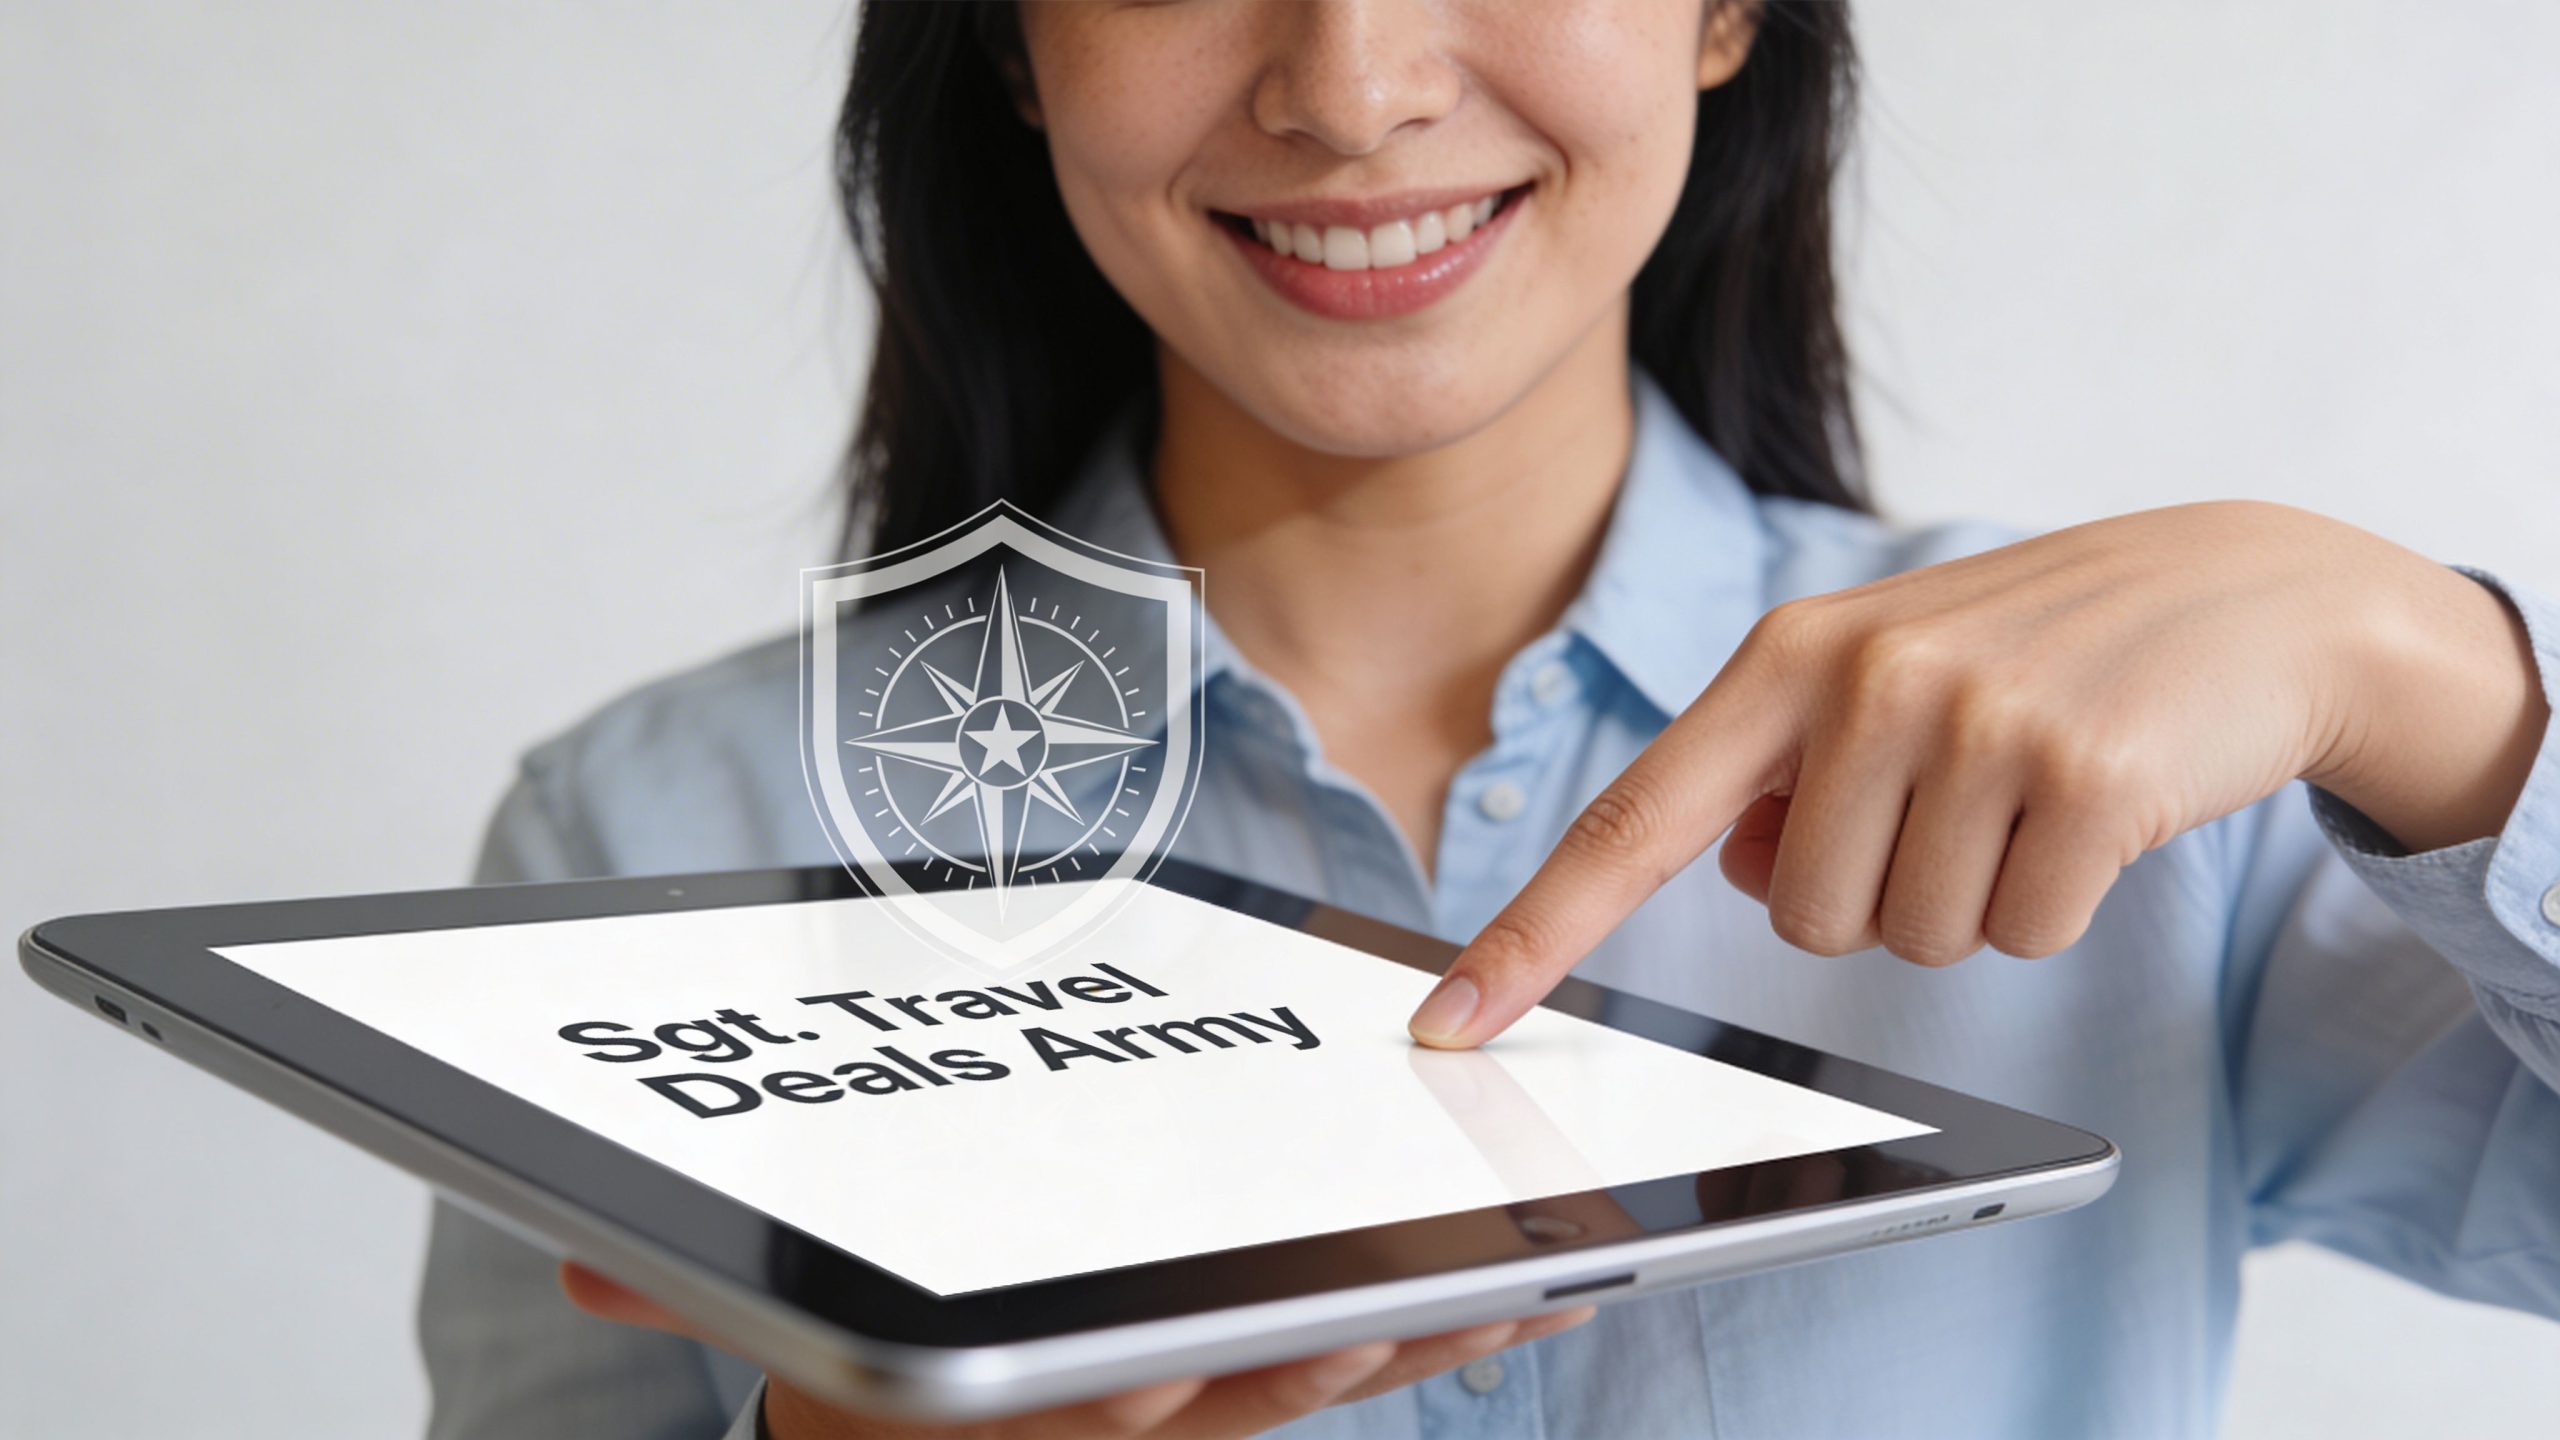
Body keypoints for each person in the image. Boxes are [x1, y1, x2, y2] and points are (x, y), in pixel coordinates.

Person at [419, 3, 2560, 1437]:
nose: (1350, 88)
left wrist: (2437, 679)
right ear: (1008, 43)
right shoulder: (651, 834)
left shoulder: (2152, 767)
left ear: (1727, 9)